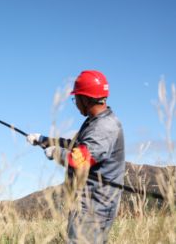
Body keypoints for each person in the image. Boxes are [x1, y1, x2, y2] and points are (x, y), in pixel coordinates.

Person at [27, 70, 125, 244]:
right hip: (87, 206)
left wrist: (54, 153)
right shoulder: (94, 121)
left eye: (76, 98)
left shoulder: (104, 127)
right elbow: (77, 145)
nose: (76, 103)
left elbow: (79, 159)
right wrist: (45, 140)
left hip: (95, 210)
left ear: (86, 99)